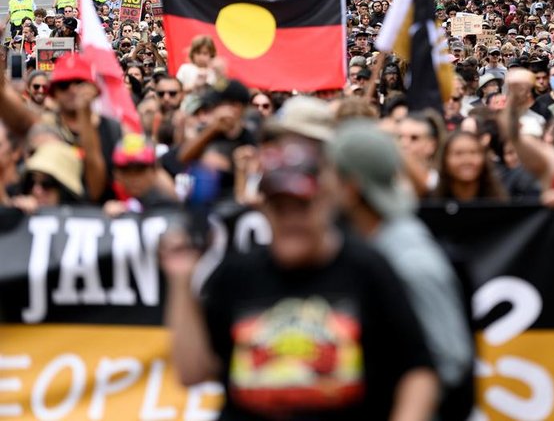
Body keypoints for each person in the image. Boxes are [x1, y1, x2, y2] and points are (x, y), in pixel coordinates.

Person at [160, 133, 439, 421]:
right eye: (280, 208)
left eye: (302, 206)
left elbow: (417, 371)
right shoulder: (237, 274)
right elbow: (193, 372)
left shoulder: (366, 269)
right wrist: (181, 283)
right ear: (264, 210)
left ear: (326, 202)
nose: (291, 220)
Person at [329, 121, 475, 420]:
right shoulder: (365, 246)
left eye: (328, 175)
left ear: (351, 187)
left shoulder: (411, 261)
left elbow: (450, 359)